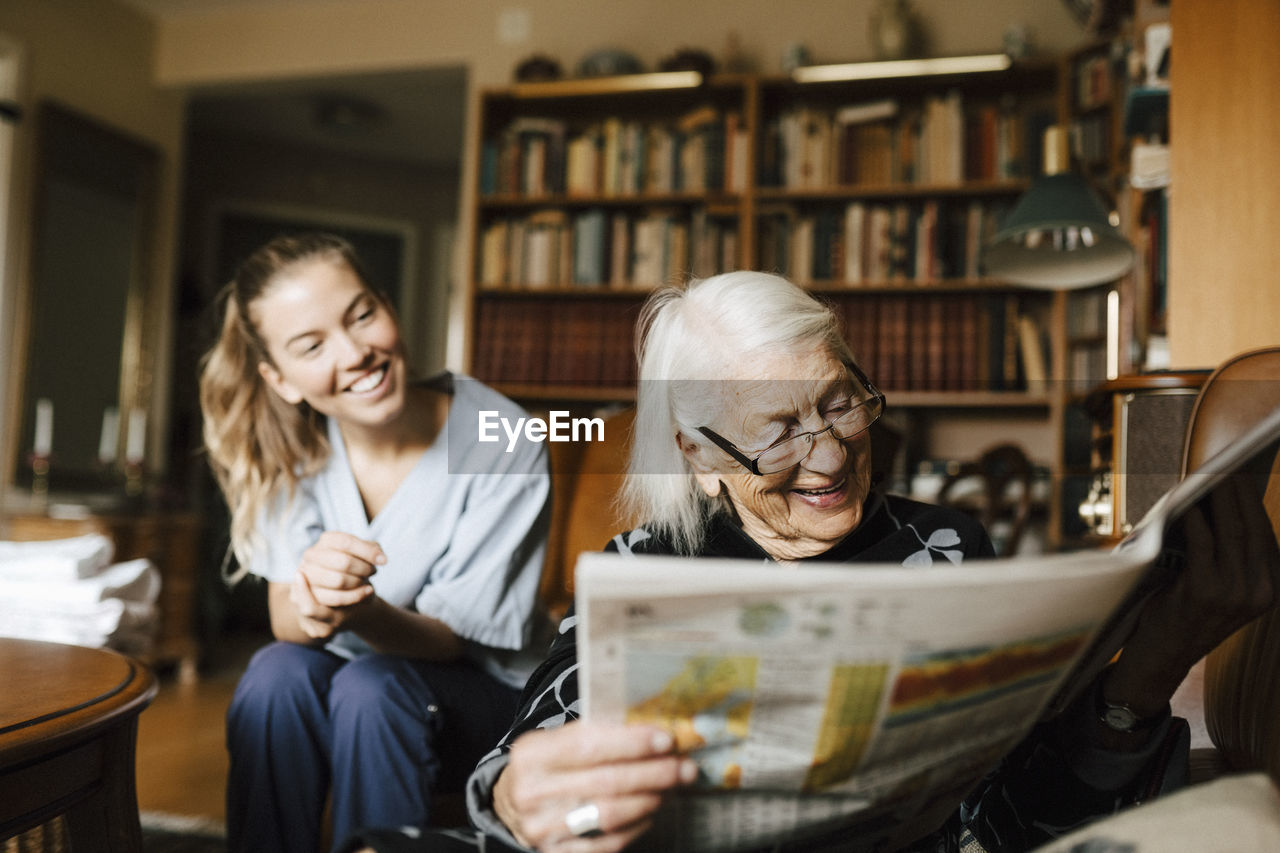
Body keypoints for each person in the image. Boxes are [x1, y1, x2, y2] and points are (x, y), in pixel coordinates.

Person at [339, 271, 1279, 853]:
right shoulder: (645, 564)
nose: (829, 457)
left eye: (840, 404)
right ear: (698, 453)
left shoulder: (945, 550)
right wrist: (517, 790)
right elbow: (521, 756)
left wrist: (1158, 657)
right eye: (777, 434)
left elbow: (1033, 818)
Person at [199, 232, 554, 853]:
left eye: (362, 315)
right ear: (279, 379)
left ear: (387, 306)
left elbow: (454, 641)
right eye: (311, 346)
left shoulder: (503, 437)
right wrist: (314, 602)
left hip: (482, 696)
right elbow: (287, 614)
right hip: (356, 677)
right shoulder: (290, 449)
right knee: (274, 674)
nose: (356, 351)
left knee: (375, 687)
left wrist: (359, 610)